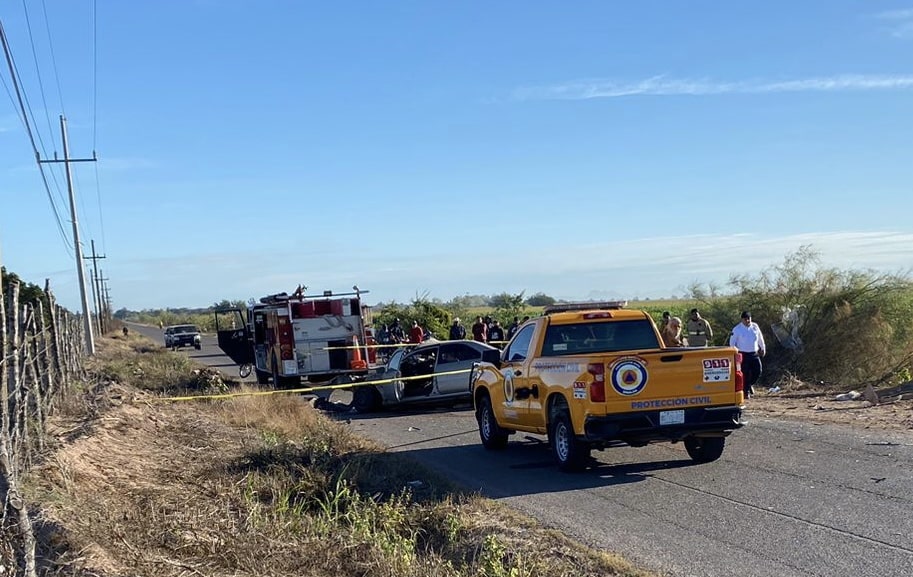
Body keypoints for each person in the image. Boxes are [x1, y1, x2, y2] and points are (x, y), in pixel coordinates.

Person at [729, 311, 767, 398]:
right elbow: (732, 343)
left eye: (748, 318)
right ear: (742, 319)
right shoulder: (737, 329)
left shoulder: (755, 326)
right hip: (742, 354)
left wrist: (763, 348)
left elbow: (760, 338)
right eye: (745, 319)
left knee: (758, 371)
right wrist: (734, 354)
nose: (747, 321)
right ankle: (745, 392)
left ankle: (750, 384)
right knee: (744, 374)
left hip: (754, 353)